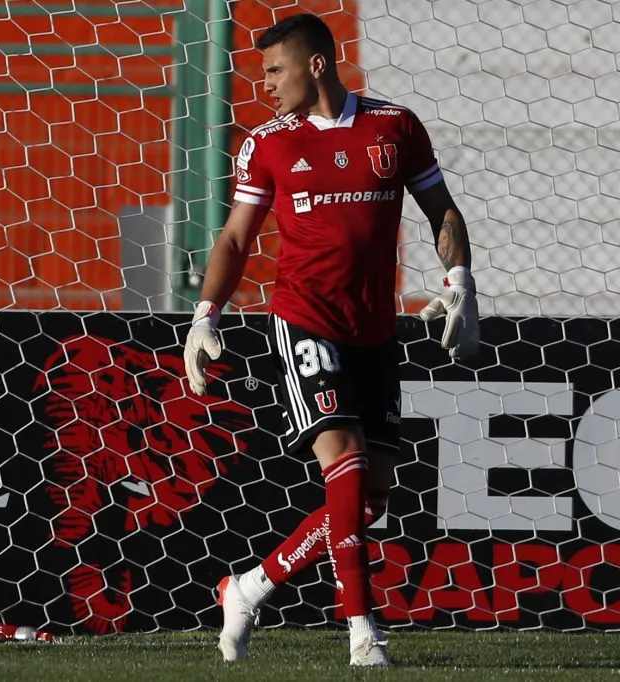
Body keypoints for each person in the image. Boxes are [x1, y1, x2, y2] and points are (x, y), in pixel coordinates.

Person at [182, 13, 480, 667]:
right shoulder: (267, 144)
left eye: (273, 70)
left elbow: (443, 210)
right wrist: (205, 316)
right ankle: (361, 630)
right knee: (341, 463)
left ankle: (248, 587)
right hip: (304, 319)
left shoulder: (394, 127)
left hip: (375, 329)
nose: (264, 85)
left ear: (315, 64)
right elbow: (236, 239)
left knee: (366, 500)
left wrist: (461, 282)